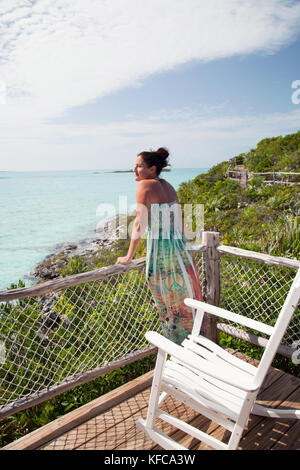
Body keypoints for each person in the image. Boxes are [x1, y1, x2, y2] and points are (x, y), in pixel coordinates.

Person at [116, 147, 203, 344]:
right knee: (184, 301)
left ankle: (177, 349)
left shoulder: (144, 186)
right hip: (180, 252)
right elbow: (179, 219)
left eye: (139, 166)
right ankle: (190, 344)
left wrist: (129, 256)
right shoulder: (169, 186)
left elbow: (140, 222)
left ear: (152, 169)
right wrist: (187, 241)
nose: (134, 170)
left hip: (161, 253)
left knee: (168, 306)